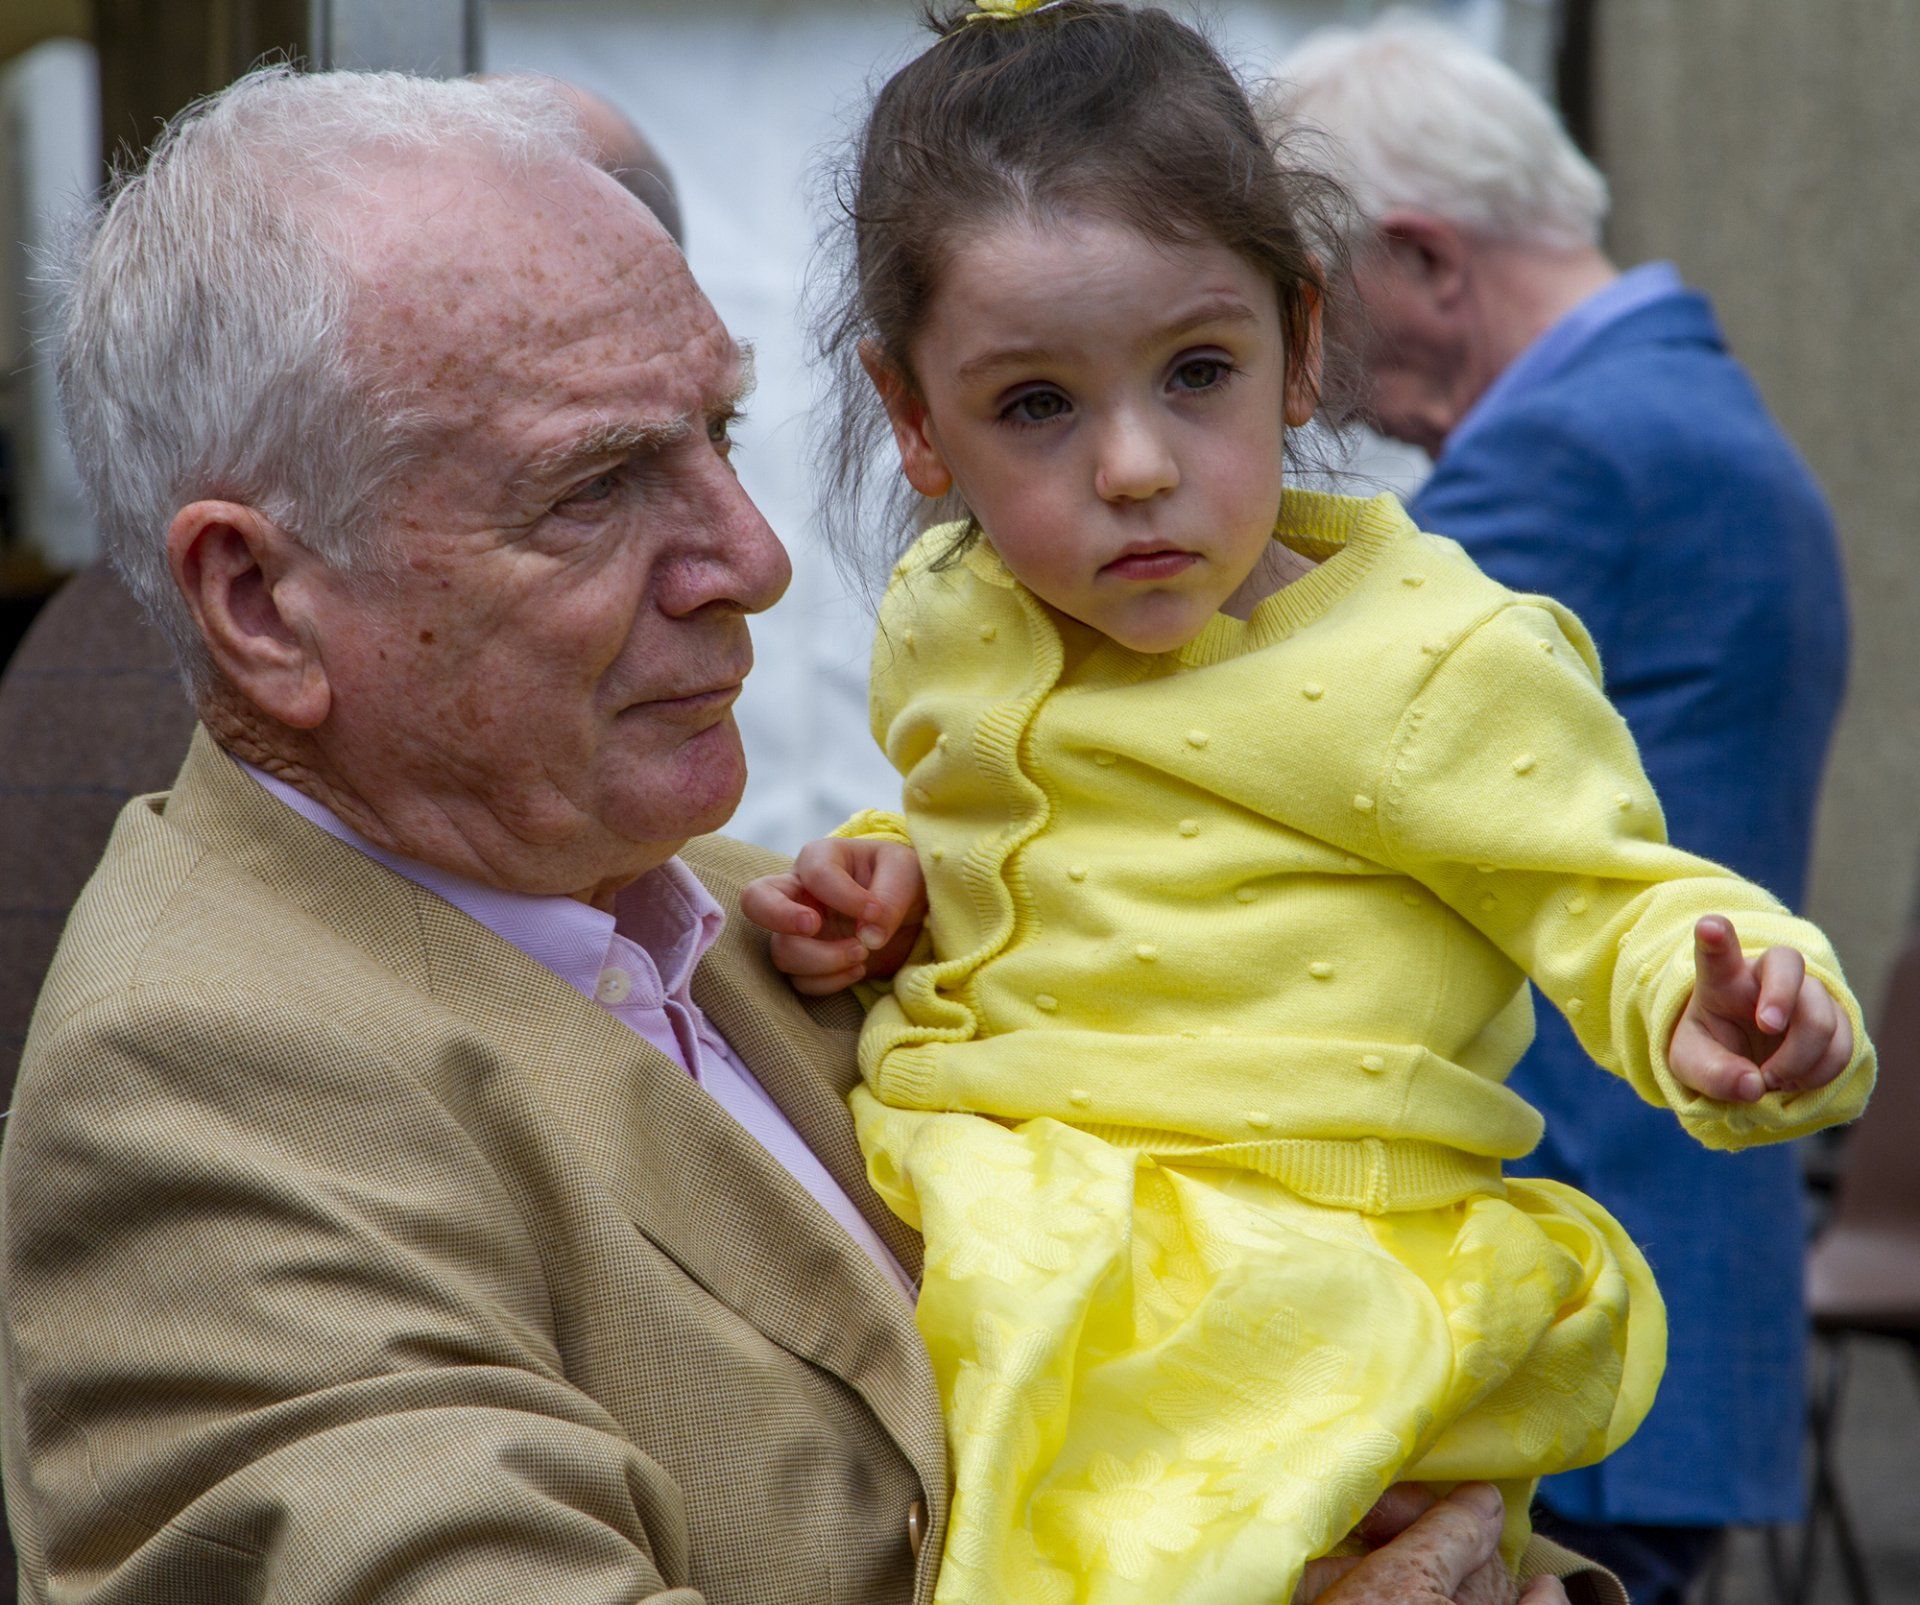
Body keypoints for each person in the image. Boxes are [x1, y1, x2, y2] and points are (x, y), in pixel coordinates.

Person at [0, 64, 1604, 1605]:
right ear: (263, 601)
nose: (755, 557)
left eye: (723, 437)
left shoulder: (772, 913)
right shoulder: (198, 1086)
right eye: (599, 485)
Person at [740, 4, 1875, 1602]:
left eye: (1196, 371)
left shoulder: (1430, 657)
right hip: (990, 1219)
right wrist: (887, 874)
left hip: (1306, 1270)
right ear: (914, 414)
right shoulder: (949, 613)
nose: (1134, 464)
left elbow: (1611, 888)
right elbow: (988, 816)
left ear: (1303, 340)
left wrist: (1728, 1008)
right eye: (1037, 405)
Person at [1268, 18, 1853, 1602]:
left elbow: (1264, 748)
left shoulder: (1569, 454)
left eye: (1303, 307)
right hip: (1673, 1257)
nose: (1298, 370)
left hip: (1568, 1281)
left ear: (1423, 259)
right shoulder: (1695, 412)